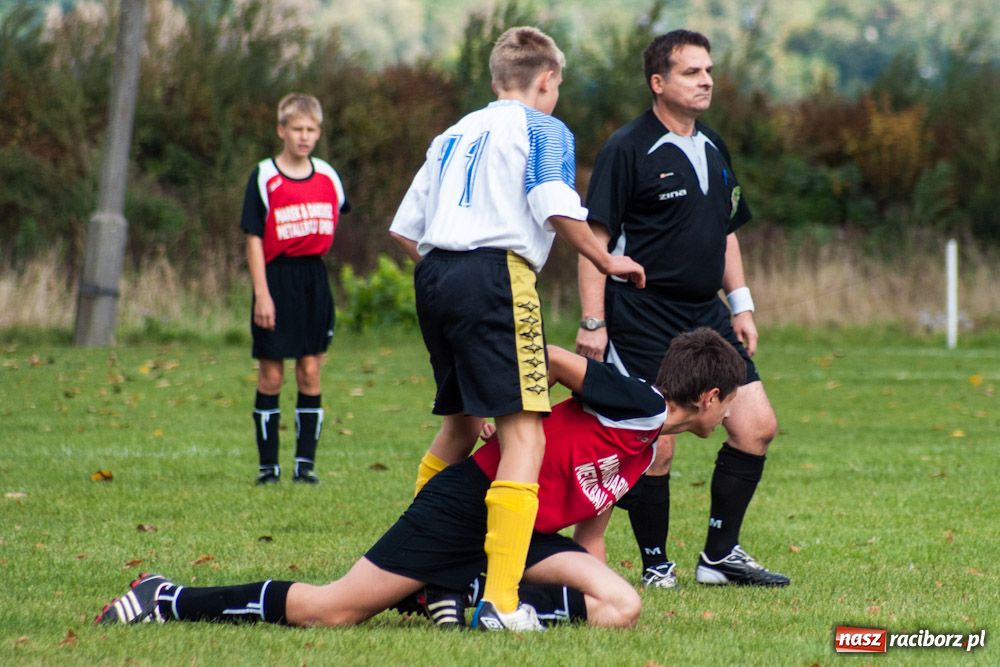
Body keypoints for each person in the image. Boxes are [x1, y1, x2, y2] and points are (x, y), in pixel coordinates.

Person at [95, 329, 746, 632]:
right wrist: (504, 416)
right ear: (709, 397)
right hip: (466, 506)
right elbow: (545, 358)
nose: (731, 416)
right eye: (731, 403)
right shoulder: (637, 402)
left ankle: (464, 593)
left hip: (523, 538)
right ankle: (168, 597)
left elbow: (591, 538)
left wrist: (585, 584)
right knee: (334, 611)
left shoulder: (645, 448)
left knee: (621, 605)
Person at [388, 26, 645, 630]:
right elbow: (554, 201)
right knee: (525, 437)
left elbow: (404, 228)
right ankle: (500, 602)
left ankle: (416, 572)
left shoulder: (453, 133)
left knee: (459, 427)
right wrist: (605, 259)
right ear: (547, 80)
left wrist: (452, 273)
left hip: (435, 276)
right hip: (495, 276)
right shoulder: (545, 129)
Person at [575, 30, 788, 588]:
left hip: (707, 315)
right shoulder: (627, 148)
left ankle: (719, 556)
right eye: (692, 72)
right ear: (658, 82)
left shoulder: (714, 144)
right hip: (642, 316)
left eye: (709, 71)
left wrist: (741, 305)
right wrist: (593, 322)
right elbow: (594, 243)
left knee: (757, 427)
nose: (706, 81)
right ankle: (656, 565)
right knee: (660, 441)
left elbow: (726, 233)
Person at [241, 93, 349, 486]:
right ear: (281, 130)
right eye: (297, 129)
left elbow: (337, 214)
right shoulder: (264, 176)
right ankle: (268, 469)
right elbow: (253, 238)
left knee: (310, 370)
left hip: (313, 279)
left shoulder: (327, 175)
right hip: (276, 278)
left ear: (318, 132)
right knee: (271, 375)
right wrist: (262, 293)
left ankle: (305, 467)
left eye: (311, 129)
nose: (304, 136)